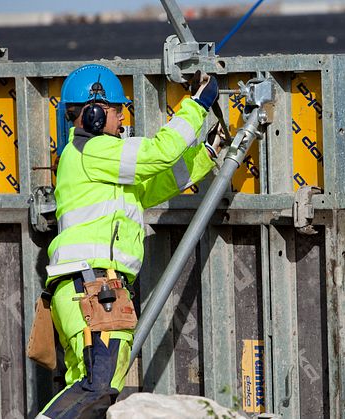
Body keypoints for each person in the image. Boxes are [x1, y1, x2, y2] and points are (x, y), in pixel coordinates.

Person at [37, 64, 221, 418]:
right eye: (117, 110)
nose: (122, 119)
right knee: (97, 386)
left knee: (93, 391)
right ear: (93, 112)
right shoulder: (93, 150)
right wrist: (196, 104)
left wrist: (205, 156)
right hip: (92, 288)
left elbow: (155, 185)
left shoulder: (95, 162)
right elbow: (158, 153)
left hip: (88, 290)